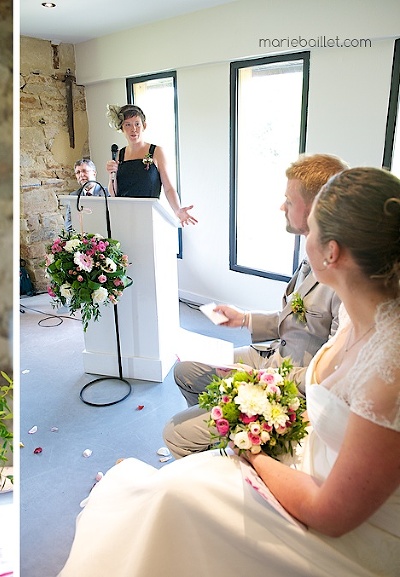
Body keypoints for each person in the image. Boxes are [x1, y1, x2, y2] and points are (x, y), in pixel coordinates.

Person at [59, 166, 400, 576]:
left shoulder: (387, 369)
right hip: (310, 454)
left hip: (338, 522)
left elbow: (331, 514)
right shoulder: (364, 317)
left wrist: (252, 450)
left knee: (177, 496)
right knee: (176, 486)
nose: (303, 237)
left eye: (312, 229)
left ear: (333, 252)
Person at [164, 154, 346, 458]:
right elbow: (293, 319)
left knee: (174, 433)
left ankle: (221, 449)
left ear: (315, 208)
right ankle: (224, 434)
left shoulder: (342, 279)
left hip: (291, 387)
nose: (281, 207)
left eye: (289, 200)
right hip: (271, 356)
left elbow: (330, 373)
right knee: (185, 371)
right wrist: (245, 319)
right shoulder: (311, 251)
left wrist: (260, 380)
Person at [105, 104, 197, 226]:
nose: (133, 129)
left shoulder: (156, 152)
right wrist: (111, 174)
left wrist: (178, 210)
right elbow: (113, 193)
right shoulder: (118, 155)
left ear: (144, 126)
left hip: (149, 217)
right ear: (122, 128)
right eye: (128, 124)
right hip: (124, 217)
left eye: (137, 124)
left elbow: (168, 188)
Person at [64, 158, 106, 233]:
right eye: (78, 172)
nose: (81, 175)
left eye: (84, 171)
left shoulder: (106, 193)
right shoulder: (73, 196)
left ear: (94, 173)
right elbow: (69, 225)